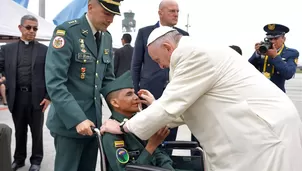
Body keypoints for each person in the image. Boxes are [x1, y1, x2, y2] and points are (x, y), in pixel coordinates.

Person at [100, 26, 302, 171]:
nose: (160, 66)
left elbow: (172, 105)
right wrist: (156, 106)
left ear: (169, 48)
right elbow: (183, 107)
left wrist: (124, 127)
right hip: (254, 130)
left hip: (263, 134)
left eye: (157, 60)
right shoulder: (193, 53)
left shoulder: (193, 54)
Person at [45, 0, 121, 171]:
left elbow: (107, 81)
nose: (111, 20)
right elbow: (55, 82)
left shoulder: (106, 38)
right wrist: (77, 119)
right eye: (107, 13)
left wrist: (123, 110)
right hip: (70, 124)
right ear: (90, 7)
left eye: (114, 15)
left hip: (93, 124)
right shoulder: (67, 32)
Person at [131, 0, 189, 143]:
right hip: (150, 91)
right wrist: (136, 90)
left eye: (177, 11)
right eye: (171, 11)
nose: (176, 15)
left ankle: (167, 163)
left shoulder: (183, 35)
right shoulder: (145, 33)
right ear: (160, 13)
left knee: (169, 136)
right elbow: (136, 64)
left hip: (174, 93)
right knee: (148, 136)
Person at [0, 15, 50, 171]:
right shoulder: (7, 49)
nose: (32, 31)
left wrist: (49, 96)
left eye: (35, 28)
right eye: (28, 27)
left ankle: (36, 160)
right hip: (16, 96)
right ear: (20, 28)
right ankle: (19, 159)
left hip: (37, 98)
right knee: (19, 130)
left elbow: (51, 74)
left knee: (37, 132)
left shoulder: (44, 50)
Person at [101, 71, 174, 171]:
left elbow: (160, 155)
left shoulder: (138, 122)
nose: (136, 97)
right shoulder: (111, 132)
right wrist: (151, 146)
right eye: (129, 94)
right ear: (115, 103)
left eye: (134, 93)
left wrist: (168, 168)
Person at [248, 23, 299, 92]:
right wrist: (257, 54)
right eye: (270, 39)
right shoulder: (263, 49)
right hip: (258, 92)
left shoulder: (290, 53)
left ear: (283, 39)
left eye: (276, 38)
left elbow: (288, 74)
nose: (273, 41)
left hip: (277, 93)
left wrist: (275, 57)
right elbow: (248, 68)